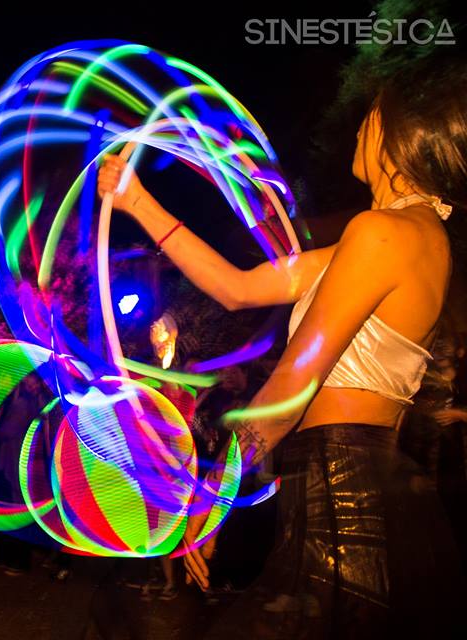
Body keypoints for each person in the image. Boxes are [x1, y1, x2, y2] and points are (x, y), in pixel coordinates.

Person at [97, 57, 467, 637]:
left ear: (402, 130)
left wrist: (213, 495)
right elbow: (238, 288)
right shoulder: (408, 234)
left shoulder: (383, 233)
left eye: (371, 114)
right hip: (352, 480)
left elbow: (293, 385)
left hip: (341, 487)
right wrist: (137, 201)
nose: (359, 126)